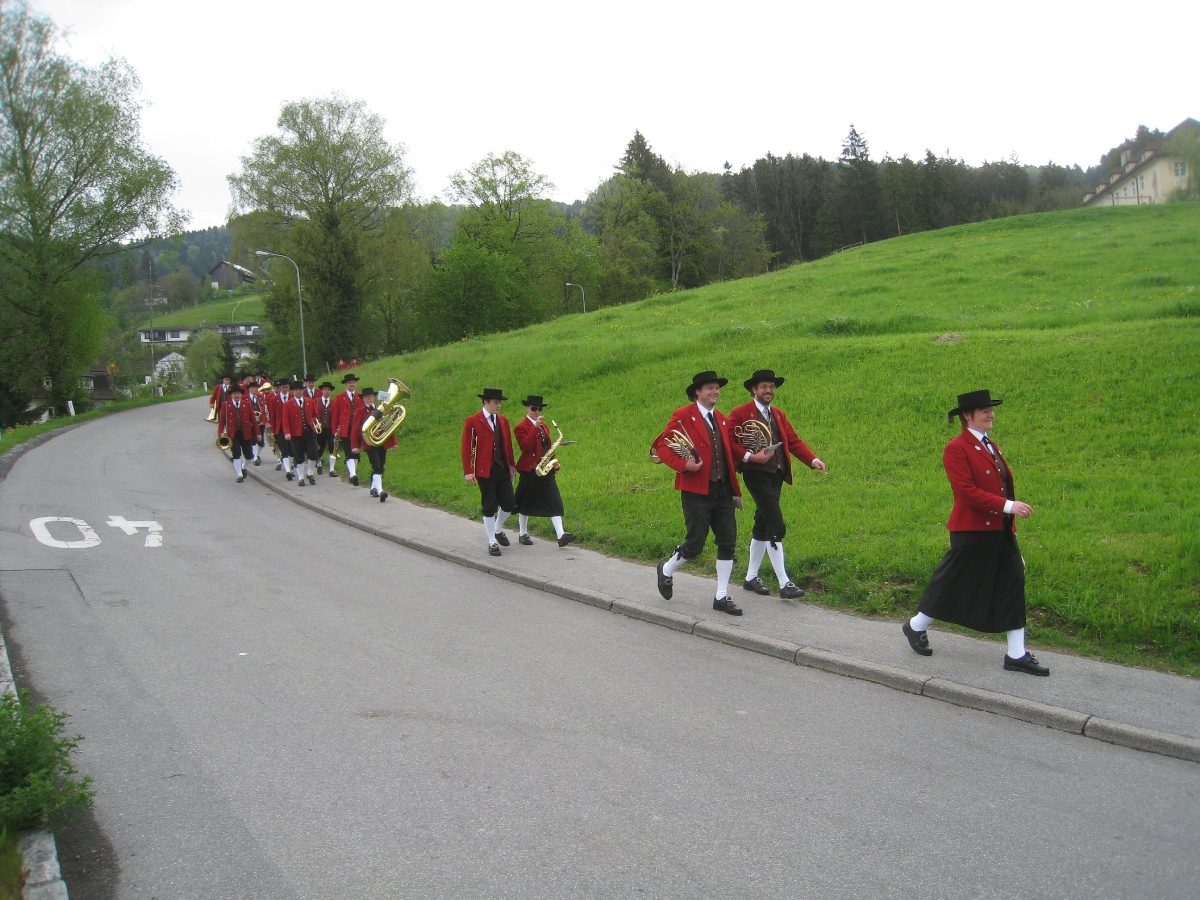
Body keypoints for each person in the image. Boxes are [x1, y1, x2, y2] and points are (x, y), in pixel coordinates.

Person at [902, 389, 1047, 676]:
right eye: (985, 411)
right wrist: (1008, 506)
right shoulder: (957, 448)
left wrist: (1008, 520)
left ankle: (1016, 654)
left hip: (999, 529)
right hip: (972, 530)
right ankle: (916, 625)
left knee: (1012, 582)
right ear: (968, 416)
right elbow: (965, 492)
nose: (991, 414)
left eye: (991, 410)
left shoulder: (989, 445)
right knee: (952, 582)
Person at [651, 371, 746, 616]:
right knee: (695, 544)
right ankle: (667, 569)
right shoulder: (683, 416)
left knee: (728, 542)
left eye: (717, 388)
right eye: (710, 388)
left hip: (723, 489)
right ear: (698, 392)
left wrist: (751, 457)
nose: (715, 392)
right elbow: (662, 447)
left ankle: (721, 596)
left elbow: (728, 451)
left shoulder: (722, 419)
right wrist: (684, 465)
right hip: (696, 490)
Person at [726, 369, 826, 600]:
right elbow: (729, 442)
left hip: (776, 475)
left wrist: (813, 460)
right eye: (763, 387)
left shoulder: (778, 414)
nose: (768, 390)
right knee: (775, 526)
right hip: (755, 474)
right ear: (754, 389)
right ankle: (784, 582)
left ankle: (751, 577)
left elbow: (793, 441)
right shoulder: (740, 413)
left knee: (762, 524)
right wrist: (751, 457)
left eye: (771, 387)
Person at [513, 395, 575, 547]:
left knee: (554, 500)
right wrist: (534, 427)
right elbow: (526, 446)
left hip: (545, 468)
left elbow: (548, 446)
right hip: (530, 469)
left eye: (539, 409)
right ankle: (522, 533)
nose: (537, 412)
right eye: (534, 409)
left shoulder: (544, 426)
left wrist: (554, 461)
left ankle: (561, 535)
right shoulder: (521, 427)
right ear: (527, 408)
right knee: (525, 502)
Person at [461, 388, 517, 556]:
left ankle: (497, 529)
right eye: (495, 402)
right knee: (489, 505)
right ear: (486, 402)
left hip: (502, 467)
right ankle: (492, 541)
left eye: (499, 403)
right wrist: (468, 471)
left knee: (509, 503)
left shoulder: (503, 420)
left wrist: (511, 466)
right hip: (484, 470)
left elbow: (508, 445)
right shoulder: (473, 420)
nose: (498, 406)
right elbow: (467, 447)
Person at [350, 386, 394, 502]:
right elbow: (355, 430)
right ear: (363, 399)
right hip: (369, 443)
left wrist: (394, 442)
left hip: (382, 441)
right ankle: (380, 491)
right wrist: (355, 446)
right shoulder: (360, 411)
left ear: (373, 397)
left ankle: (374, 487)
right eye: (366, 397)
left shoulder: (381, 409)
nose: (369, 398)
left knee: (381, 466)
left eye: (370, 396)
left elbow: (388, 426)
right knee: (376, 466)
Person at [218, 385, 261, 483]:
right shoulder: (226, 405)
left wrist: (258, 433)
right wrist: (220, 434)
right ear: (231, 395)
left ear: (241, 394)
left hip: (246, 433)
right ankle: (239, 475)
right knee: (236, 454)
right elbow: (222, 421)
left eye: (238, 393)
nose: (236, 395)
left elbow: (253, 420)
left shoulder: (247, 404)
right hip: (233, 434)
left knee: (249, 455)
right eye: (234, 394)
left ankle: (243, 468)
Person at [282, 380, 318, 486]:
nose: (298, 391)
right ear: (292, 391)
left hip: (309, 432)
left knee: (313, 454)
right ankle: (301, 477)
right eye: (296, 390)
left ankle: (310, 473)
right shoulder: (288, 404)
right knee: (299, 456)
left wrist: (316, 423)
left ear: (303, 391)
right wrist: (287, 432)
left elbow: (315, 415)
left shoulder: (310, 401)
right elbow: (285, 420)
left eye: (300, 390)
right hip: (296, 434)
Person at [331, 373, 361, 485]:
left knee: (356, 452)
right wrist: (335, 430)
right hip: (345, 429)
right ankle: (353, 475)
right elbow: (335, 415)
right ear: (345, 384)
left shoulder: (360, 395)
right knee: (349, 452)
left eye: (353, 382)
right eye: (349, 383)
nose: (352, 384)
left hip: (357, 429)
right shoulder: (340, 397)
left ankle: (352, 473)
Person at [268, 378, 293, 475]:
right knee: (284, 449)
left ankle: (290, 467)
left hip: (292, 427)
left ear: (289, 387)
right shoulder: (274, 399)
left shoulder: (292, 397)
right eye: (283, 387)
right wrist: (273, 430)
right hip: (280, 427)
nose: (285, 389)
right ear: (280, 388)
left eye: (286, 387)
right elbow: (272, 416)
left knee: (292, 449)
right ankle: (288, 471)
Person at [314, 381, 337, 476]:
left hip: (330, 428)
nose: (327, 391)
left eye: (328, 389)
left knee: (332, 447)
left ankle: (332, 469)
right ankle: (318, 463)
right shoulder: (316, 401)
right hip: (320, 429)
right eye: (325, 389)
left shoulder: (334, 402)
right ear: (322, 391)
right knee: (320, 446)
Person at [246, 381, 267, 466]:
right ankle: (255, 458)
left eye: (257, 388)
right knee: (253, 439)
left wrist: (264, 420)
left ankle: (256, 454)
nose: (257, 390)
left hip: (260, 422)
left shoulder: (260, 397)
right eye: (255, 388)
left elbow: (264, 409)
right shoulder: (245, 398)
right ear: (250, 389)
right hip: (250, 423)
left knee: (261, 442)